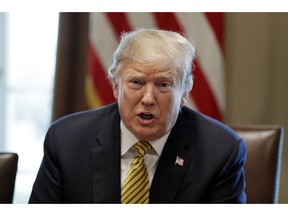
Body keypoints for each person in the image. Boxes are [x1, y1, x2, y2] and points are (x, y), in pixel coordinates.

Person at [29, 28, 246, 203]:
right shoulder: (66, 139)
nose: (148, 98)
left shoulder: (221, 151)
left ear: (184, 93)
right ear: (116, 86)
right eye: (136, 82)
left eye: (163, 85)